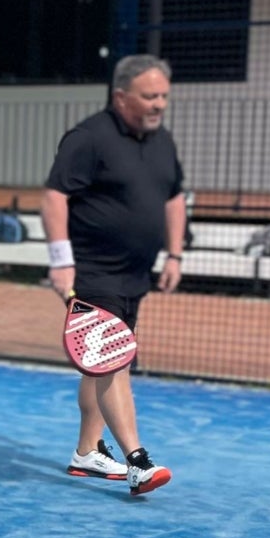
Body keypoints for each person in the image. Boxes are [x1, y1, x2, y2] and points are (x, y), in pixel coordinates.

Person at [40, 53, 184, 496]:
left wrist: (175, 255)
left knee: (101, 364)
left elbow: (174, 197)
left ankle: (87, 452)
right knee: (112, 361)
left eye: (163, 96)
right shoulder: (89, 138)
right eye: (149, 96)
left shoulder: (162, 142)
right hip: (93, 270)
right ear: (121, 97)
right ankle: (137, 461)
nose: (159, 104)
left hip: (134, 274)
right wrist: (61, 260)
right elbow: (54, 196)